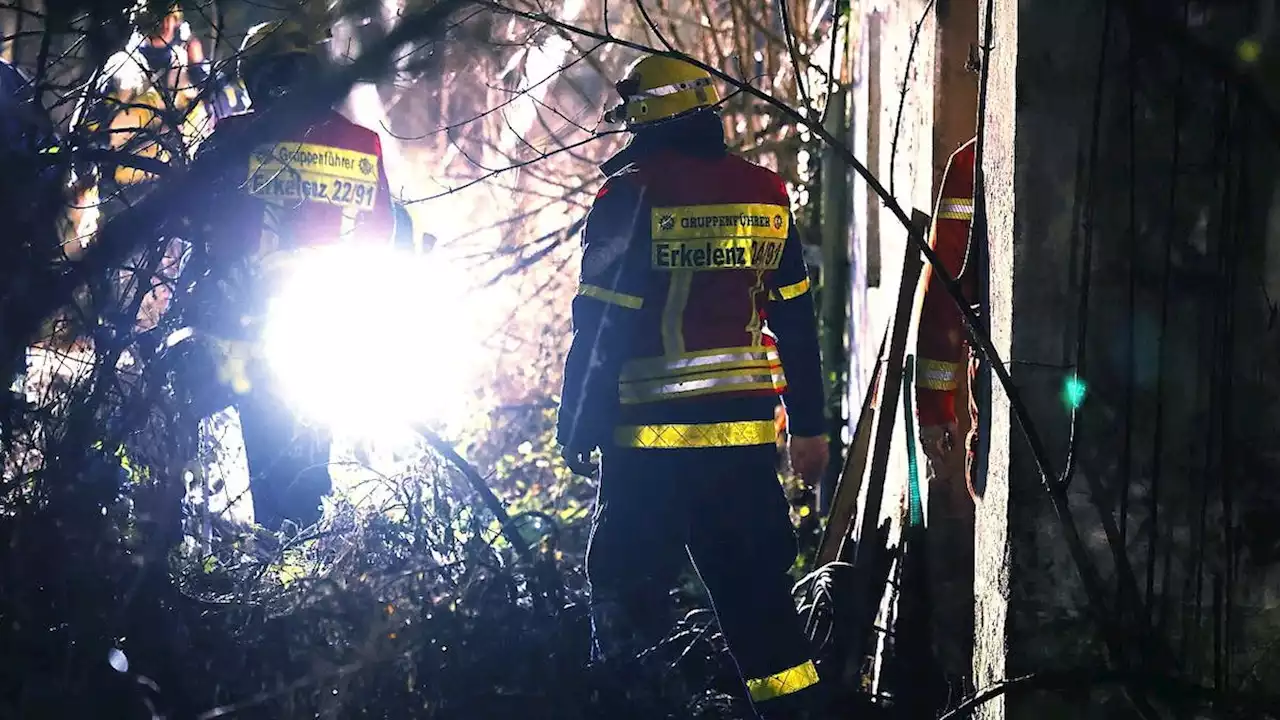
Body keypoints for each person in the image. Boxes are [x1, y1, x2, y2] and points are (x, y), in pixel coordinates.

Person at [556, 53, 830, 720]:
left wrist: (577, 425)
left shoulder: (629, 196)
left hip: (648, 448)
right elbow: (795, 318)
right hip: (741, 446)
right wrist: (811, 426)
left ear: (648, 119)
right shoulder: (767, 192)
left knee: (626, 605)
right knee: (762, 612)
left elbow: (600, 325)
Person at [189, 17, 394, 531]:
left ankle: (259, 557)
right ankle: (306, 568)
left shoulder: (232, 140)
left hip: (252, 320)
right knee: (305, 453)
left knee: (260, 447)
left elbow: (199, 222)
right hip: (322, 320)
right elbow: (382, 232)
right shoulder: (361, 141)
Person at [914, 134, 981, 698]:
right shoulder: (974, 164)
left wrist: (937, 413)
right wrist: (938, 412)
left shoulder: (974, 161)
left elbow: (943, 298)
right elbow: (945, 298)